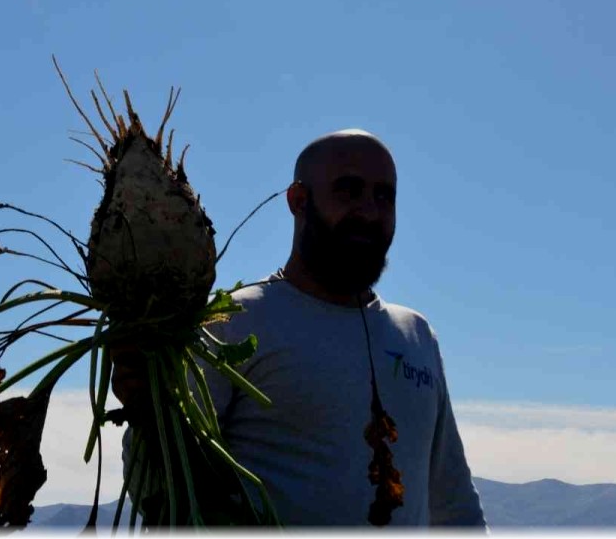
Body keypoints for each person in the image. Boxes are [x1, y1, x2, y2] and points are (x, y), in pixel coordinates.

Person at [111, 129, 487, 527]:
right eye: (349, 191)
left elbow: (453, 501)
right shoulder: (232, 321)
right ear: (298, 201)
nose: (370, 211)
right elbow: (157, 482)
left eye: (384, 196)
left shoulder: (416, 336)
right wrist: (143, 407)